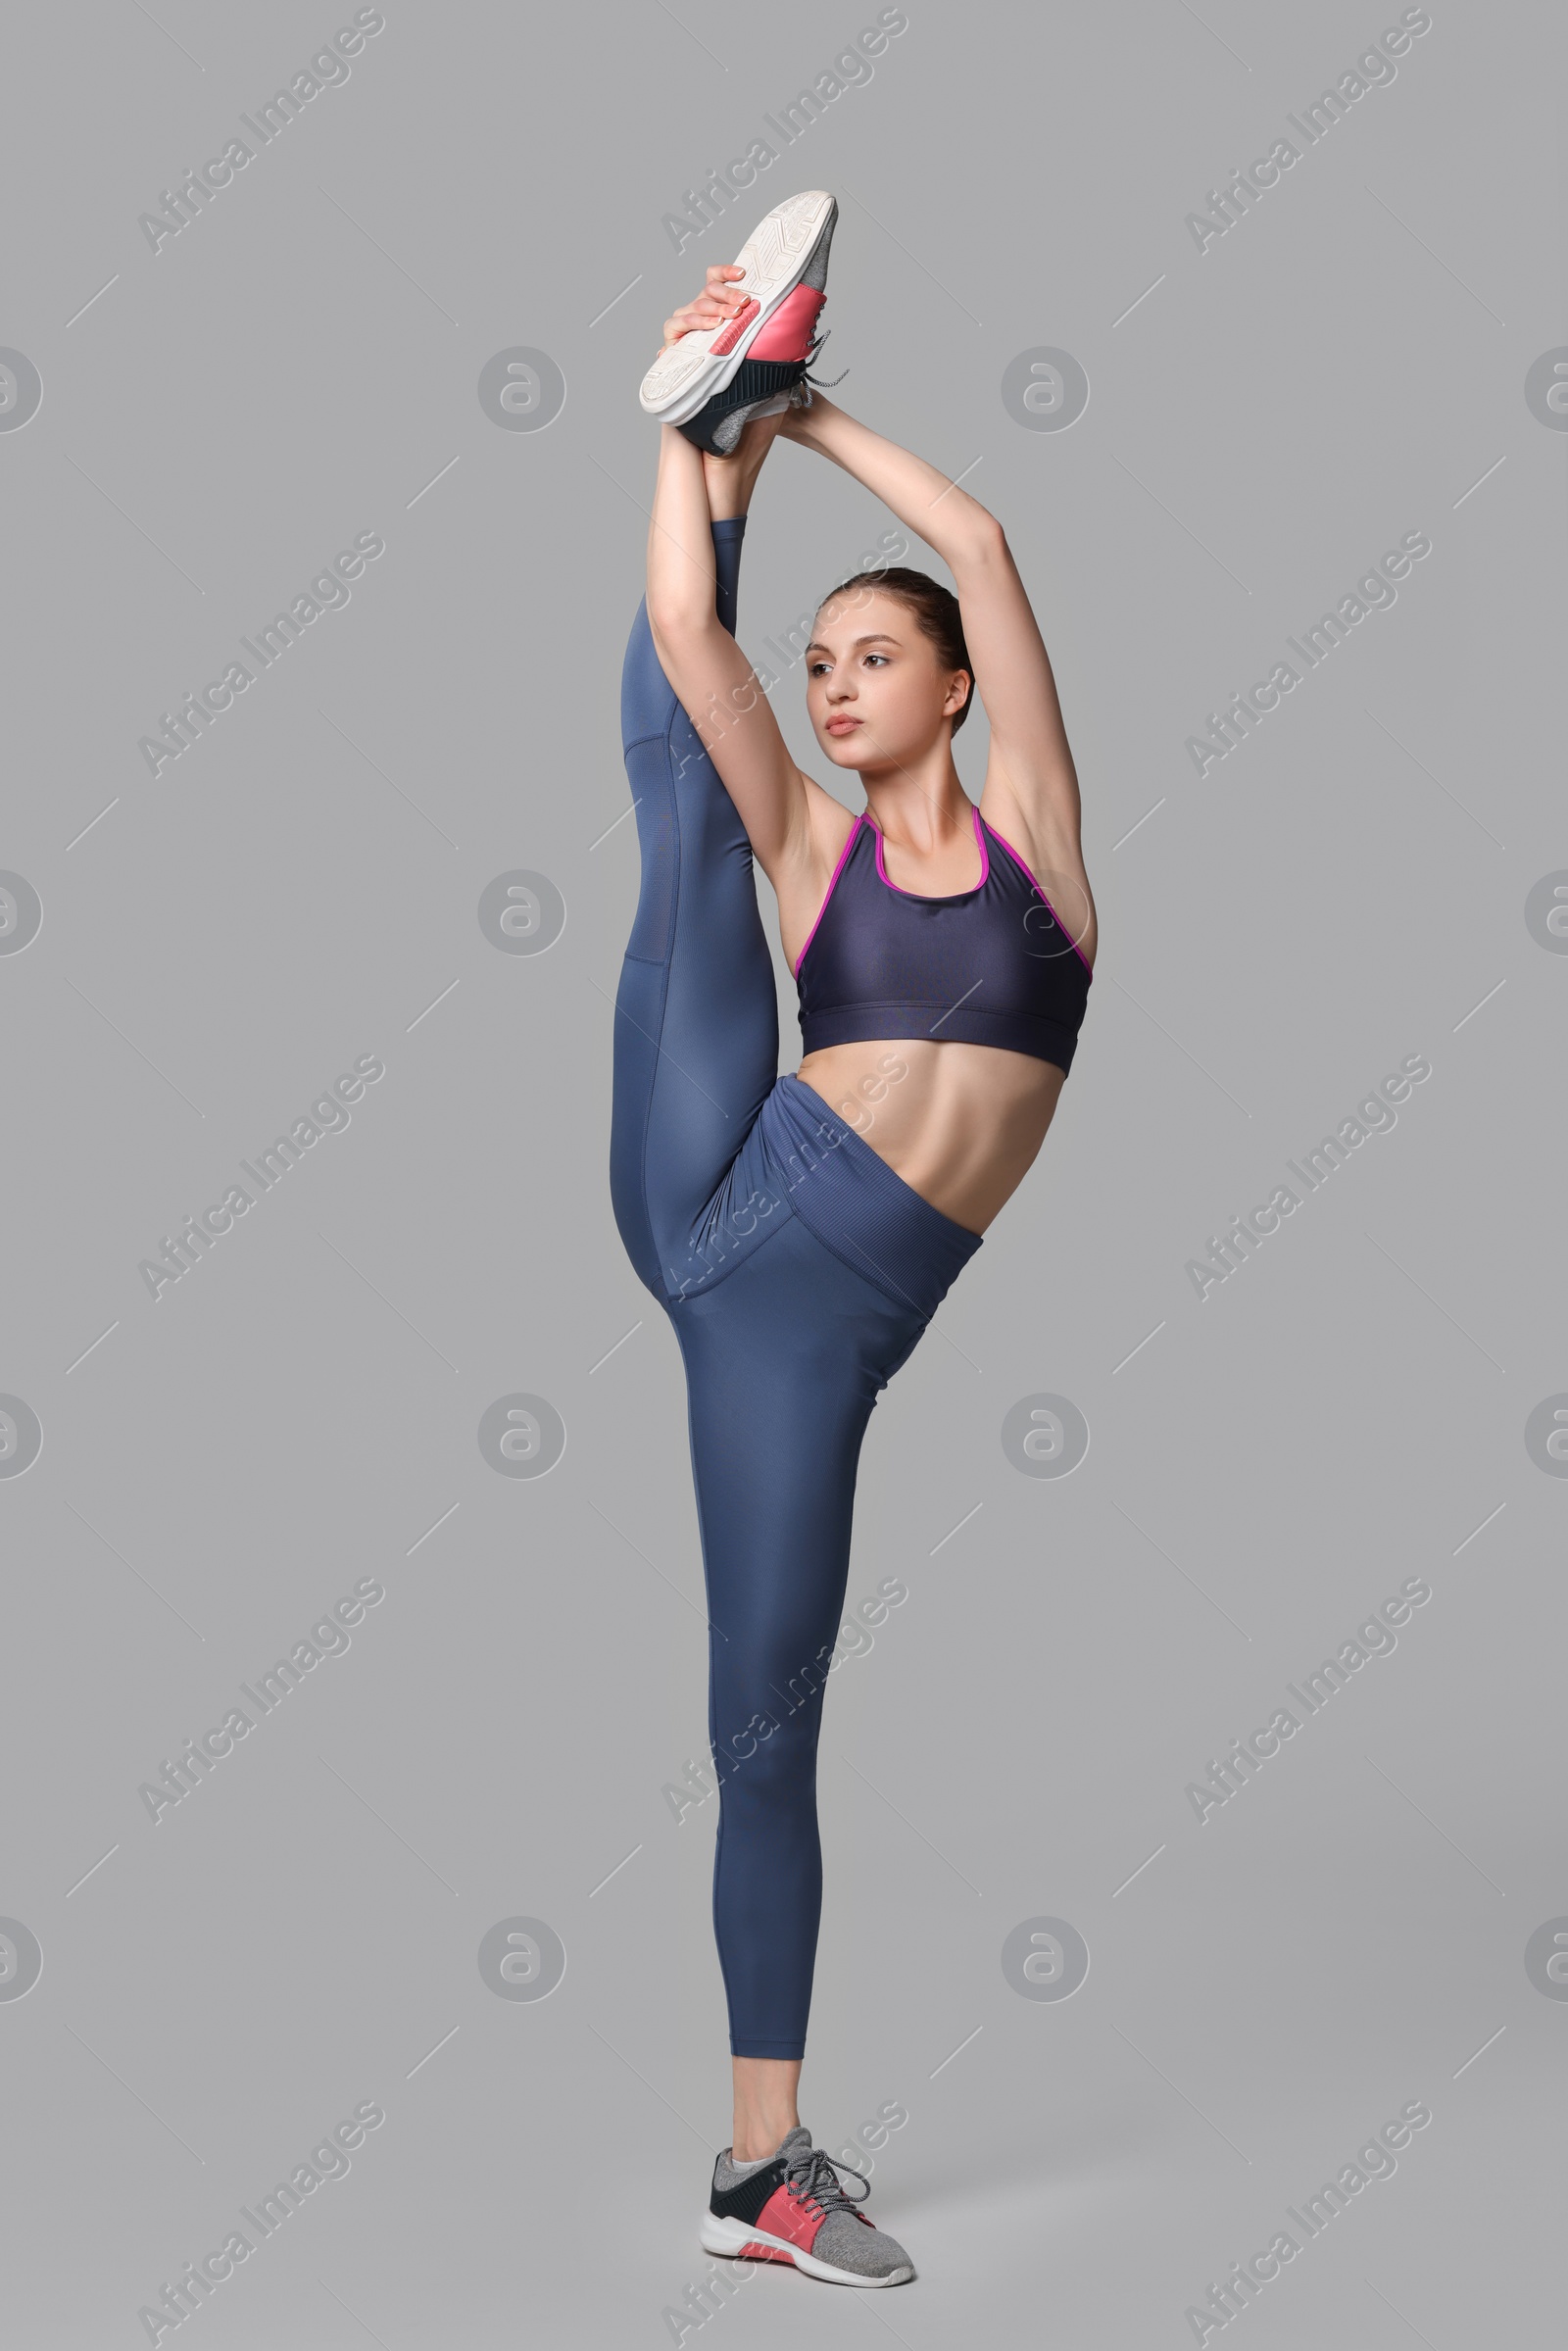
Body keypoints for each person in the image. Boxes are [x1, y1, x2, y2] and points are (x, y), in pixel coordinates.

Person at [610, 191, 1097, 2287]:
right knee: (677, 789)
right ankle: (679, 383)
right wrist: (683, 442)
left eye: (868, 656)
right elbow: (694, 650)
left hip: (803, 1338)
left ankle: (755, 2171)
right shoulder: (808, 850)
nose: (829, 686)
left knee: (768, 1717)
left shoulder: (1033, 855)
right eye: (819, 663)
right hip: (725, 1196)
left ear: (956, 689)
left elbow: (981, 544)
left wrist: (796, 415)